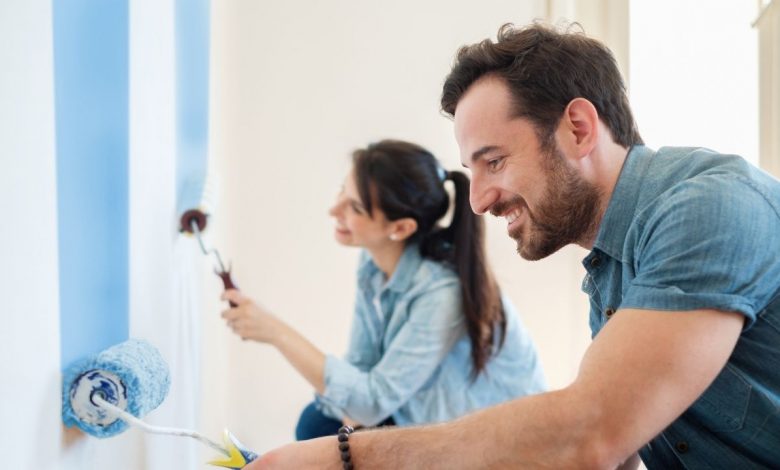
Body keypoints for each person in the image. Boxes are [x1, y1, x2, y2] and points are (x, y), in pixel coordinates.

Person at [246, 22, 780, 470]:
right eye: (471, 170)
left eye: (495, 162)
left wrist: (343, 456)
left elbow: (590, 435)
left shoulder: (710, 207)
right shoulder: (609, 272)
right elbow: (618, 449)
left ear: (578, 129)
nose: (478, 201)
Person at [221, 139, 547, 441]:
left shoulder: (442, 294)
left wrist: (276, 333)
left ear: (400, 228)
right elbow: (361, 367)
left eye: (355, 208)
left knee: (322, 429)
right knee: (319, 422)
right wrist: (356, 409)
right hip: (418, 411)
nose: (334, 211)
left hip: (495, 441)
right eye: (342, 191)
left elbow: (371, 402)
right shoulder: (373, 263)